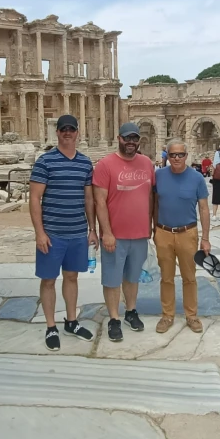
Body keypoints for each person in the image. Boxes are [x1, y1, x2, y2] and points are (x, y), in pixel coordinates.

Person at [29, 114, 98, 351]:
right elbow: (35, 198)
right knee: (48, 280)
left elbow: (89, 198)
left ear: (77, 132)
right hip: (53, 233)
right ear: (57, 132)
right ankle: (51, 326)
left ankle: (71, 321)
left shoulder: (85, 163)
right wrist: (40, 232)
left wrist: (92, 229)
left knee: (71, 277)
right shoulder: (45, 161)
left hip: (77, 232)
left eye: (71, 129)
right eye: (63, 129)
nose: (67, 133)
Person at [93, 122, 154, 342]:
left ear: (139, 141)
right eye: (127, 138)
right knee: (111, 279)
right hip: (115, 234)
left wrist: (150, 224)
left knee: (132, 276)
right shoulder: (105, 165)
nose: (131, 142)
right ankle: (113, 319)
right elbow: (99, 201)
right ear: (119, 138)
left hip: (139, 233)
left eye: (134, 138)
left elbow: (149, 196)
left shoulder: (147, 163)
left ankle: (130, 311)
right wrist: (106, 232)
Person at [152, 139, 210, 334]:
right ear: (167, 156)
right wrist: (154, 229)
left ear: (186, 156)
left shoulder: (196, 178)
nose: (176, 158)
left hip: (188, 233)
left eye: (180, 154)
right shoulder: (158, 176)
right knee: (166, 277)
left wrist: (206, 238)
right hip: (164, 232)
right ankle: (167, 315)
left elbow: (203, 208)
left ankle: (191, 315)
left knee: (189, 277)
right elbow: (154, 204)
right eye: (173, 154)